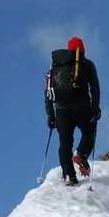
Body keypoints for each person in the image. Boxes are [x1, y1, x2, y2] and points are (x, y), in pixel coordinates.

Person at [44, 36, 101, 187]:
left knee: (65, 143)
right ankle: (81, 154)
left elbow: (48, 93)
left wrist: (51, 115)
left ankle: (69, 175)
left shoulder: (54, 67)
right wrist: (95, 108)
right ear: (82, 50)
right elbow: (94, 88)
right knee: (89, 131)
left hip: (61, 111)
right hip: (82, 107)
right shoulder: (87, 64)